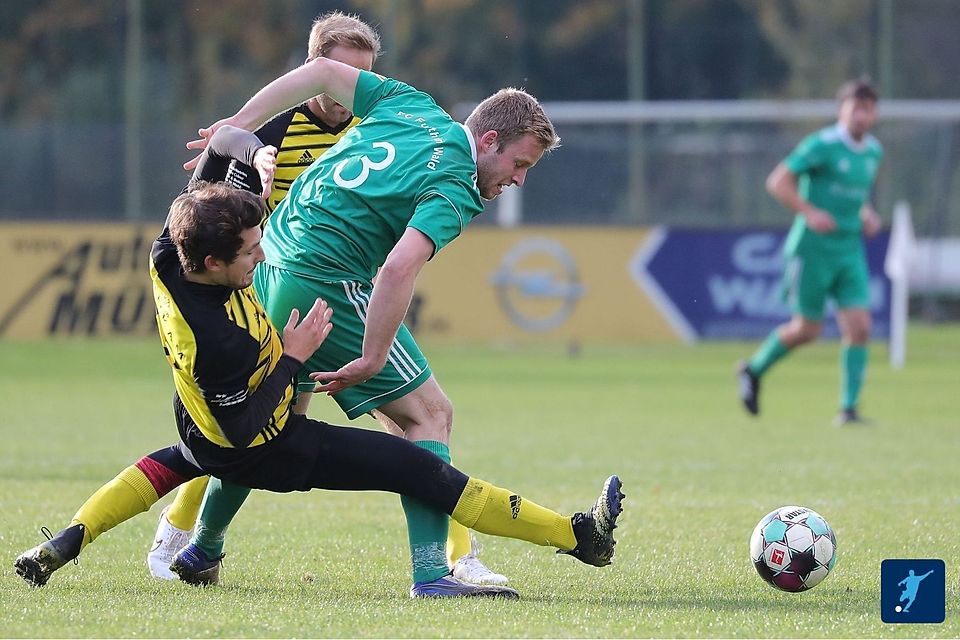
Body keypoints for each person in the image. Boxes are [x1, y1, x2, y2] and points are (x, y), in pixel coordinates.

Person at [13, 133, 625, 597]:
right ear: (215, 263)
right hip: (267, 447)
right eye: (251, 253)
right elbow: (250, 429)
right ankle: (577, 538)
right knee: (421, 470)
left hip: (199, 430)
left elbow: (201, 190)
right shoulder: (215, 337)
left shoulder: (170, 256)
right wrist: (294, 359)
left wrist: (243, 145)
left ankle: (72, 543)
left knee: (162, 469)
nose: (260, 259)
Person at [173, 48, 562, 597]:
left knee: (276, 423)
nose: (519, 180)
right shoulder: (457, 184)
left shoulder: (414, 106)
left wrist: (238, 125)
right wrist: (375, 356)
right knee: (431, 415)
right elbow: (400, 266)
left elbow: (325, 73)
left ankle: (202, 548)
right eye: (520, 165)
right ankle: (432, 573)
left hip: (268, 259)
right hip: (322, 282)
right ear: (489, 141)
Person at [737, 78, 883, 426]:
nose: (860, 116)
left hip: (848, 249)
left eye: (867, 109)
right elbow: (778, 181)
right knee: (807, 330)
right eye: (854, 108)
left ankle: (848, 409)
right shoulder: (822, 145)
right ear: (841, 111)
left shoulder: (874, 151)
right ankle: (754, 369)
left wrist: (866, 214)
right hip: (812, 250)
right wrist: (809, 211)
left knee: (860, 326)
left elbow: (853, 194)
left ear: (875, 114)